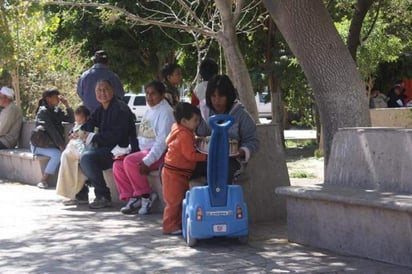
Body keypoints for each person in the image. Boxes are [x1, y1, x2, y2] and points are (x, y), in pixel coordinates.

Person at [113, 80, 175, 215]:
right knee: (118, 164)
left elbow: (161, 142)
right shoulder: (149, 110)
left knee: (130, 162)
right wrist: (127, 151)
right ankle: (134, 197)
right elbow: (143, 136)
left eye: (153, 94)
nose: (149, 97)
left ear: (162, 95)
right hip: (145, 151)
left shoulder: (166, 112)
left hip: (161, 154)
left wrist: (147, 161)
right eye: (147, 93)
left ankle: (146, 197)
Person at [79, 79, 138, 209]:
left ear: (112, 90)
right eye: (99, 90)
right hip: (108, 149)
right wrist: (80, 131)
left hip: (122, 150)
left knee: (87, 158)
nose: (102, 93)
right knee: (76, 154)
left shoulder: (120, 108)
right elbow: (90, 123)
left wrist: (92, 137)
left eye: (105, 89)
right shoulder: (101, 109)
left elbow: (116, 136)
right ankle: (80, 192)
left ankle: (103, 196)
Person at [192, 74, 258, 182]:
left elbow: (252, 140)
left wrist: (241, 151)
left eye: (221, 96)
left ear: (229, 95)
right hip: (204, 158)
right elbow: (194, 131)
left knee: (219, 176)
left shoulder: (241, 115)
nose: (217, 100)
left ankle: (214, 198)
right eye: (213, 96)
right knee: (180, 169)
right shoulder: (202, 111)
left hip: (230, 161)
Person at [161, 102, 207, 235]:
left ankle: (177, 224)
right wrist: (205, 157)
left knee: (179, 199)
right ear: (184, 121)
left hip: (178, 173)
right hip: (174, 174)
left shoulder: (183, 130)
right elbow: (190, 155)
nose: (197, 123)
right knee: (174, 202)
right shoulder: (184, 134)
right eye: (195, 120)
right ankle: (169, 226)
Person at [32, 88, 74, 189]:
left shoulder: (56, 110)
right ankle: (43, 180)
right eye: (55, 97)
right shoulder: (43, 112)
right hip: (39, 144)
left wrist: (67, 105)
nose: (58, 100)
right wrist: (61, 146)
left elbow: (71, 119)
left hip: (51, 144)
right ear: (48, 99)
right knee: (58, 154)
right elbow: (51, 130)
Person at [56, 105, 90, 205]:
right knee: (66, 159)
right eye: (77, 120)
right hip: (72, 150)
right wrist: (72, 135)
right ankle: (73, 194)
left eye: (81, 120)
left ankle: (74, 194)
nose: (79, 122)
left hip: (81, 151)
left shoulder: (89, 125)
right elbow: (72, 133)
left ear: (86, 118)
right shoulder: (76, 125)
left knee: (70, 161)